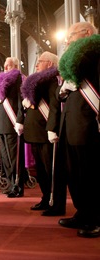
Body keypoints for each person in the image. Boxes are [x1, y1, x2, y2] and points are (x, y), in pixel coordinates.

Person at [56, 21, 100, 238]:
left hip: (88, 122)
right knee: (75, 174)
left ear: (87, 33)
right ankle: (82, 213)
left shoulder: (95, 53)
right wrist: (63, 90)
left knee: (90, 173)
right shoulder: (73, 61)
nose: (67, 40)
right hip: (71, 124)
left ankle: (96, 219)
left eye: (71, 35)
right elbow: (59, 94)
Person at [21, 52, 65, 216]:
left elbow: (54, 106)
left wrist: (52, 128)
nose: (37, 64)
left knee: (52, 170)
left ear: (50, 64)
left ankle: (57, 203)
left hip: (46, 132)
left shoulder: (52, 81)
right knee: (41, 170)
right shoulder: (37, 82)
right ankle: (46, 198)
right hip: (35, 132)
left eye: (40, 61)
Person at [0, 57, 27, 197]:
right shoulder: (1, 82)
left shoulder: (18, 78)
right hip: (2, 124)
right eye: (5, 65)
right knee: (5, 158)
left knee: (14, 158)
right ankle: (11, 184)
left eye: (9, 65)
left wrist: (19, 120)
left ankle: (18, 186)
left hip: (12, 124)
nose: (6, 68)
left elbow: (20, 100)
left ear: (16, 66)